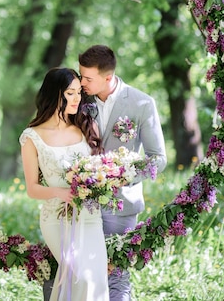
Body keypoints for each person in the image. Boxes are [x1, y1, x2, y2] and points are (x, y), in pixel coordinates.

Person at [78, 44, 167, 301]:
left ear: (108, 77)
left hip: (122, 205)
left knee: (116, 274)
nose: (81, 81)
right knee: (83, 274)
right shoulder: (77, 99)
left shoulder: (141, 103)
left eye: (88, 78)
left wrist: (120, 175)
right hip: (82, 202)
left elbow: (158, 158)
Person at [19, 67, 109, 301]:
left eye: (79, 92)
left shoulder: (86, 127)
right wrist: (62, 192)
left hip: (90, 217)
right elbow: (32, 188)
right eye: (70, 93)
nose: (77, 98)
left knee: (95, 281)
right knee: (80, 277)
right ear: (55, 94)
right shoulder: (32, 137)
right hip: (57, 218)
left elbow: (100, 170)